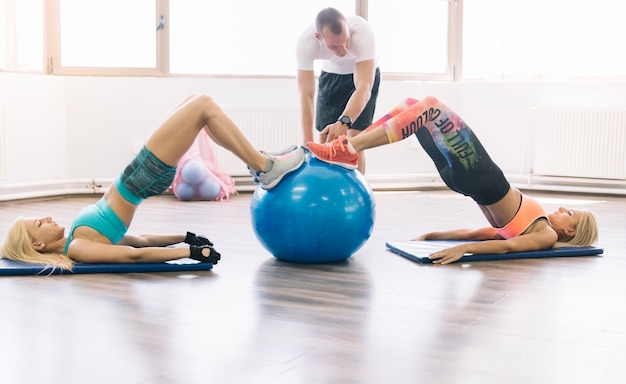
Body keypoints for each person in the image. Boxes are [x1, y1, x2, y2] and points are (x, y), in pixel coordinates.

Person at [1, 94, 305, 272]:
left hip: (138, 174)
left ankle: (260, 160)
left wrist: (185, 236)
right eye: (39, 223)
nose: (47, 217)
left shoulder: (78, 239)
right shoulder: (79, 248)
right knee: (203, 105)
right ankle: (264, 166)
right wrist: (189, 254)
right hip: (142, 177)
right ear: (38, 245)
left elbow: (139, 241)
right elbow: (134, 257)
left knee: (197, 105)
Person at [306, 96, 599, 264]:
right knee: (414, 106)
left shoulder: (546, 235)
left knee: (431, 107)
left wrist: (464, 251)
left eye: (569, 214)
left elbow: (506, 249)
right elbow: (481, 233)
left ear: (571, 233)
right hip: (466, 181)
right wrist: (436, 235)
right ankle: (349, 142)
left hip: (482, 177)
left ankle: (348, 147)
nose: (562, 209)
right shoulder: (530, 227)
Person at [296, 7, 380, 174]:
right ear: (318, 38)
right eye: (334, 46)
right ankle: (326, 188)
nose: (343, 49)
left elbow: (364, 88)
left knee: (354, 140)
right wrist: (307, 142)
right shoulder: (306, 43)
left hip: (363, 76)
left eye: (346, 41)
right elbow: (306, 95)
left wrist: (345, 121)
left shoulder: (362, 32)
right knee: (325, 137)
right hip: (332, 75)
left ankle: (357, 192)